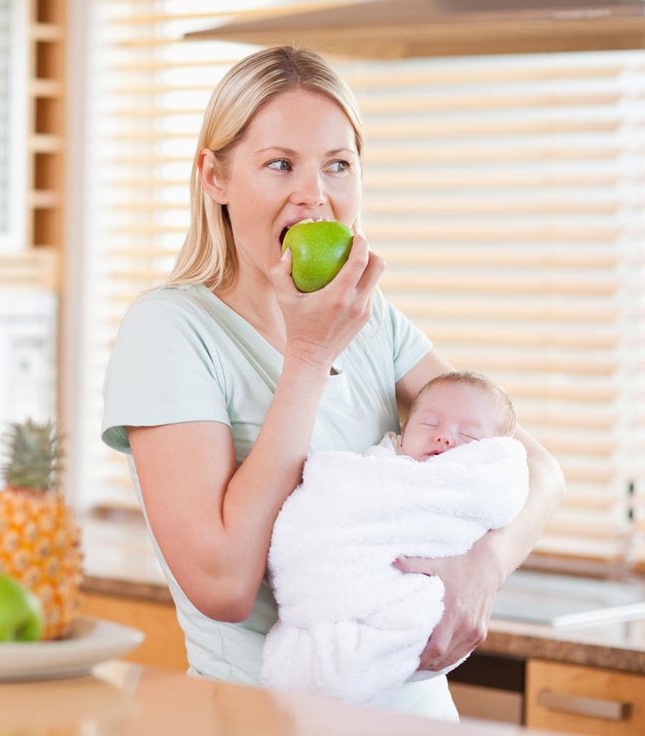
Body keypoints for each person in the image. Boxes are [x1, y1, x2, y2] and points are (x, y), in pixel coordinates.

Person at [101, 46, 564, 720]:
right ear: (214, 177)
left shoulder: (374, 323)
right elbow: (223, 584)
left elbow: (540, 469)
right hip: (264, 718)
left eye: (337, 165)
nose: (313, 194)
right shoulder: (169, 331)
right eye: (280, 164)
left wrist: (483, 568)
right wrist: (309, 357)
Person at [261, 370, 528, 707]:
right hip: (328, 592)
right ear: (403, 433)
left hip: (404, 621)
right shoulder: (374, 470)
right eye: (429, 424)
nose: (444, 437)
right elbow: (322, 510)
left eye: (470, 437)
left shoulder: (475, 491)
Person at [384, 370, 517, 461]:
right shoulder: (382, 462)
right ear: (404, 430)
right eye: (429, 423)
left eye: (468, 434)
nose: (444, 437)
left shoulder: (493, 488)